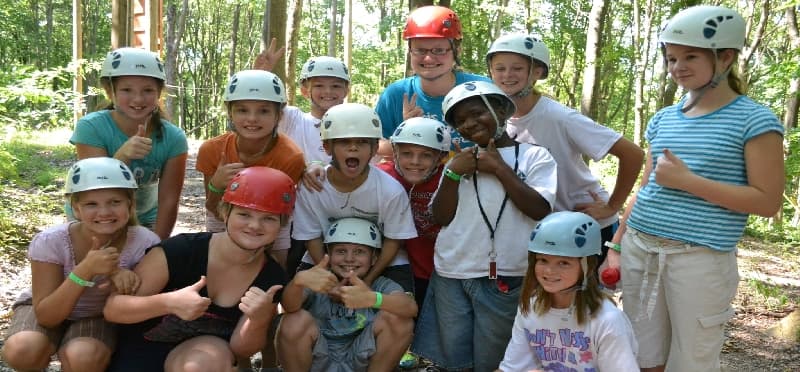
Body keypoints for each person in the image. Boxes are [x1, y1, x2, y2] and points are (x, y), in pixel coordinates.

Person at [602, 5, 785, 372]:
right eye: (671, 58)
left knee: (692, 360)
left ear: (726, 58)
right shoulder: (664, 118)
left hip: (699, 258)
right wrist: (617, 245)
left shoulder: (755, 120)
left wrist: (689, 182)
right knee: (642, 353)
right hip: (641, 248)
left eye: (690, 56)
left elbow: (767, 201)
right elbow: (645, 188)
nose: (677, 66)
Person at [411, 81, 557, 371]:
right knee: (454, 359)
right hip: (452, 272)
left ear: (501, 110)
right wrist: (452, 175)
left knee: (495, 359)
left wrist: (499, 168)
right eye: (461, 121)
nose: (470, 124)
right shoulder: (459, 163)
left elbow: (540, 209)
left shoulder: (535, 156)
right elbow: (441, 217)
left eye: (478, 113)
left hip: (507, 275)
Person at [103, 166, 294, 371]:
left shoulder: (271, 275)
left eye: (269, 218)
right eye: (244, 214)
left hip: (201, 356)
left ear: (281, 224)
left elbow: (242, 349)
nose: (255, 225)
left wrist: (258, 319)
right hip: (142, 350)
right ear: (225, 212)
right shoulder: (182, 250)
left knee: (204, 363)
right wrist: (168, 303)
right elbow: (113, 309)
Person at [486, 33, 644, 263]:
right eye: (500, 68)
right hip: (544, 229)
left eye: (517, 68)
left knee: (585, 298)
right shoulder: (494, 119)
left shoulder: (558, 117)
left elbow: (633, 153)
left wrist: (612, 206)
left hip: (585, 227)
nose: (507, 75)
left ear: (537, 72)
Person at [1, 157, 160, 372]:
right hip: (47, 307)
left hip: (99, 315)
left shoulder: (146, 242)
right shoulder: (51, 241)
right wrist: (85, 270)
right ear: (76, 208)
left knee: (83, 356)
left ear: (130, 205)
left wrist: (125, 282)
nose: (104, 212)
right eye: (91, 204)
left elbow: (142, 304)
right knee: (23, 349)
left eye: (115, 202)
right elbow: (47, 317)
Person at [291, 102, 418, 293]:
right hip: (326, 258)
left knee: (398, 314)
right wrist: (329, 277)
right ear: (327, 147)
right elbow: (312, 237)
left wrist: (369, 279)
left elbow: (393, 239)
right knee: (298, 308)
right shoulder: (312, 187)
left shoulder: (390, 190)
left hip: (382, 260)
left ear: (375, 148)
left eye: (362, 142)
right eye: (343, 142)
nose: (353, 149)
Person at [70, 47, 188, 240]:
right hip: (93, 216)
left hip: (145, 219)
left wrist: (157, 245)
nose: (138, 99)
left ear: (159, 92)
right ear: (110, 91)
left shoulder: (173, 138)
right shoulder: (91, 128)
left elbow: (168, 200)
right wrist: (122, 157)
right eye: (127, 90)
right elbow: (94, 189)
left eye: (148, 90)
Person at [496, 211, 638, 371]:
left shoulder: (607, 319)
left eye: (563, 262)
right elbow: (510, 369)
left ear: (587, 266)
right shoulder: (531, 307)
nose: (549, 271)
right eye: (543, 260)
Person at [276, 217, 418, 371]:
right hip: (318, 356)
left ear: (374, 258)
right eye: (341, 251)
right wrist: (298, 282)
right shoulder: (319, 279)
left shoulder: (380, 283)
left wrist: (371, 298)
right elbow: (288, 307)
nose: (349, 258)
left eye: (359, 251)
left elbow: (410, 307)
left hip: (361, 358)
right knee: (293, 320)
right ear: (328, 255)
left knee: (399, 319)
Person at [196, 69, 305, 269]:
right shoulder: (212, 150)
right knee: (216, 265)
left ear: (279, 115)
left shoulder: (290, 157)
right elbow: (212, 208)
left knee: (275, 267)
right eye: (242, 110)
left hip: (272, 220)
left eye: (263, 111)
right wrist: (216, 186)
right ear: (230, 112)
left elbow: (281, 218)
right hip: (223, 216)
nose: (252, 118)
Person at [375, 5, 491, 151]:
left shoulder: (482, 89)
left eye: (439, 50)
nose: (429, 58)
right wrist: (406, 133)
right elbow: (374, 146)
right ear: (410, 52)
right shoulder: (396, 94)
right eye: (420, 50)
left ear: (457, 52)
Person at [377, 117, 450, 308]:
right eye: (407, 153)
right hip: (393, 267)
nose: (415, 162)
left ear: (440, 156)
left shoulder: (450, 179)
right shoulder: (381, 175)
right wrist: (314, 167)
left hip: (437, 271)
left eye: (425, 155)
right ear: (394, 152)